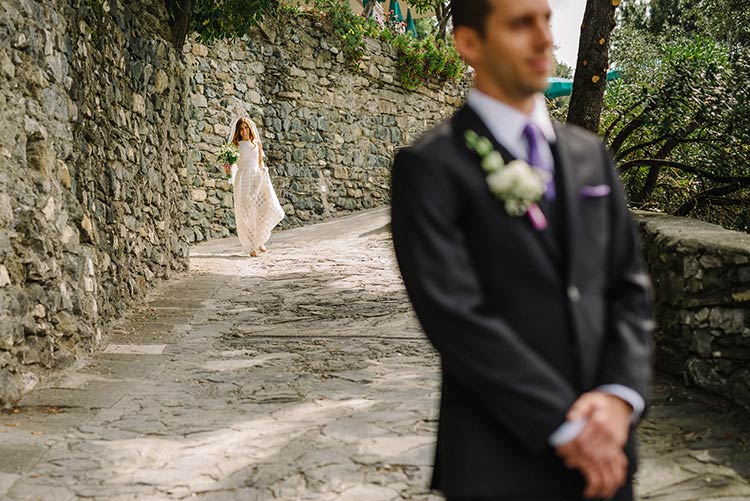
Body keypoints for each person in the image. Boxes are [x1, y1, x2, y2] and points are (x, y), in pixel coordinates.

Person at [390, 0, 653, 500]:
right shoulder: (430, 165)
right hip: (499, 458)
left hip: (609, 451)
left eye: (546, 20)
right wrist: (563, 425)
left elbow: (628, 285)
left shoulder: (588, 154)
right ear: (469, 43)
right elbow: (455, 315)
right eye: (519, 24)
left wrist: (620, 397)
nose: (543, 39)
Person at [229, 116, 284, 257]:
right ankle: (250, 245)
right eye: (241, 129)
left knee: (263, 208)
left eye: (246, 128)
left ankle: (260, 240)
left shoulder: (256, 143)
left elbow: (260, 162)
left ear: (250, 128)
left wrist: (263, 174)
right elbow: (230, 166)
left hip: (257, 178)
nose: (244, 131)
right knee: (246, 212)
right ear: (238, 131)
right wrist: (227, 166)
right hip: (242, 180)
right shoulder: (235, 146)